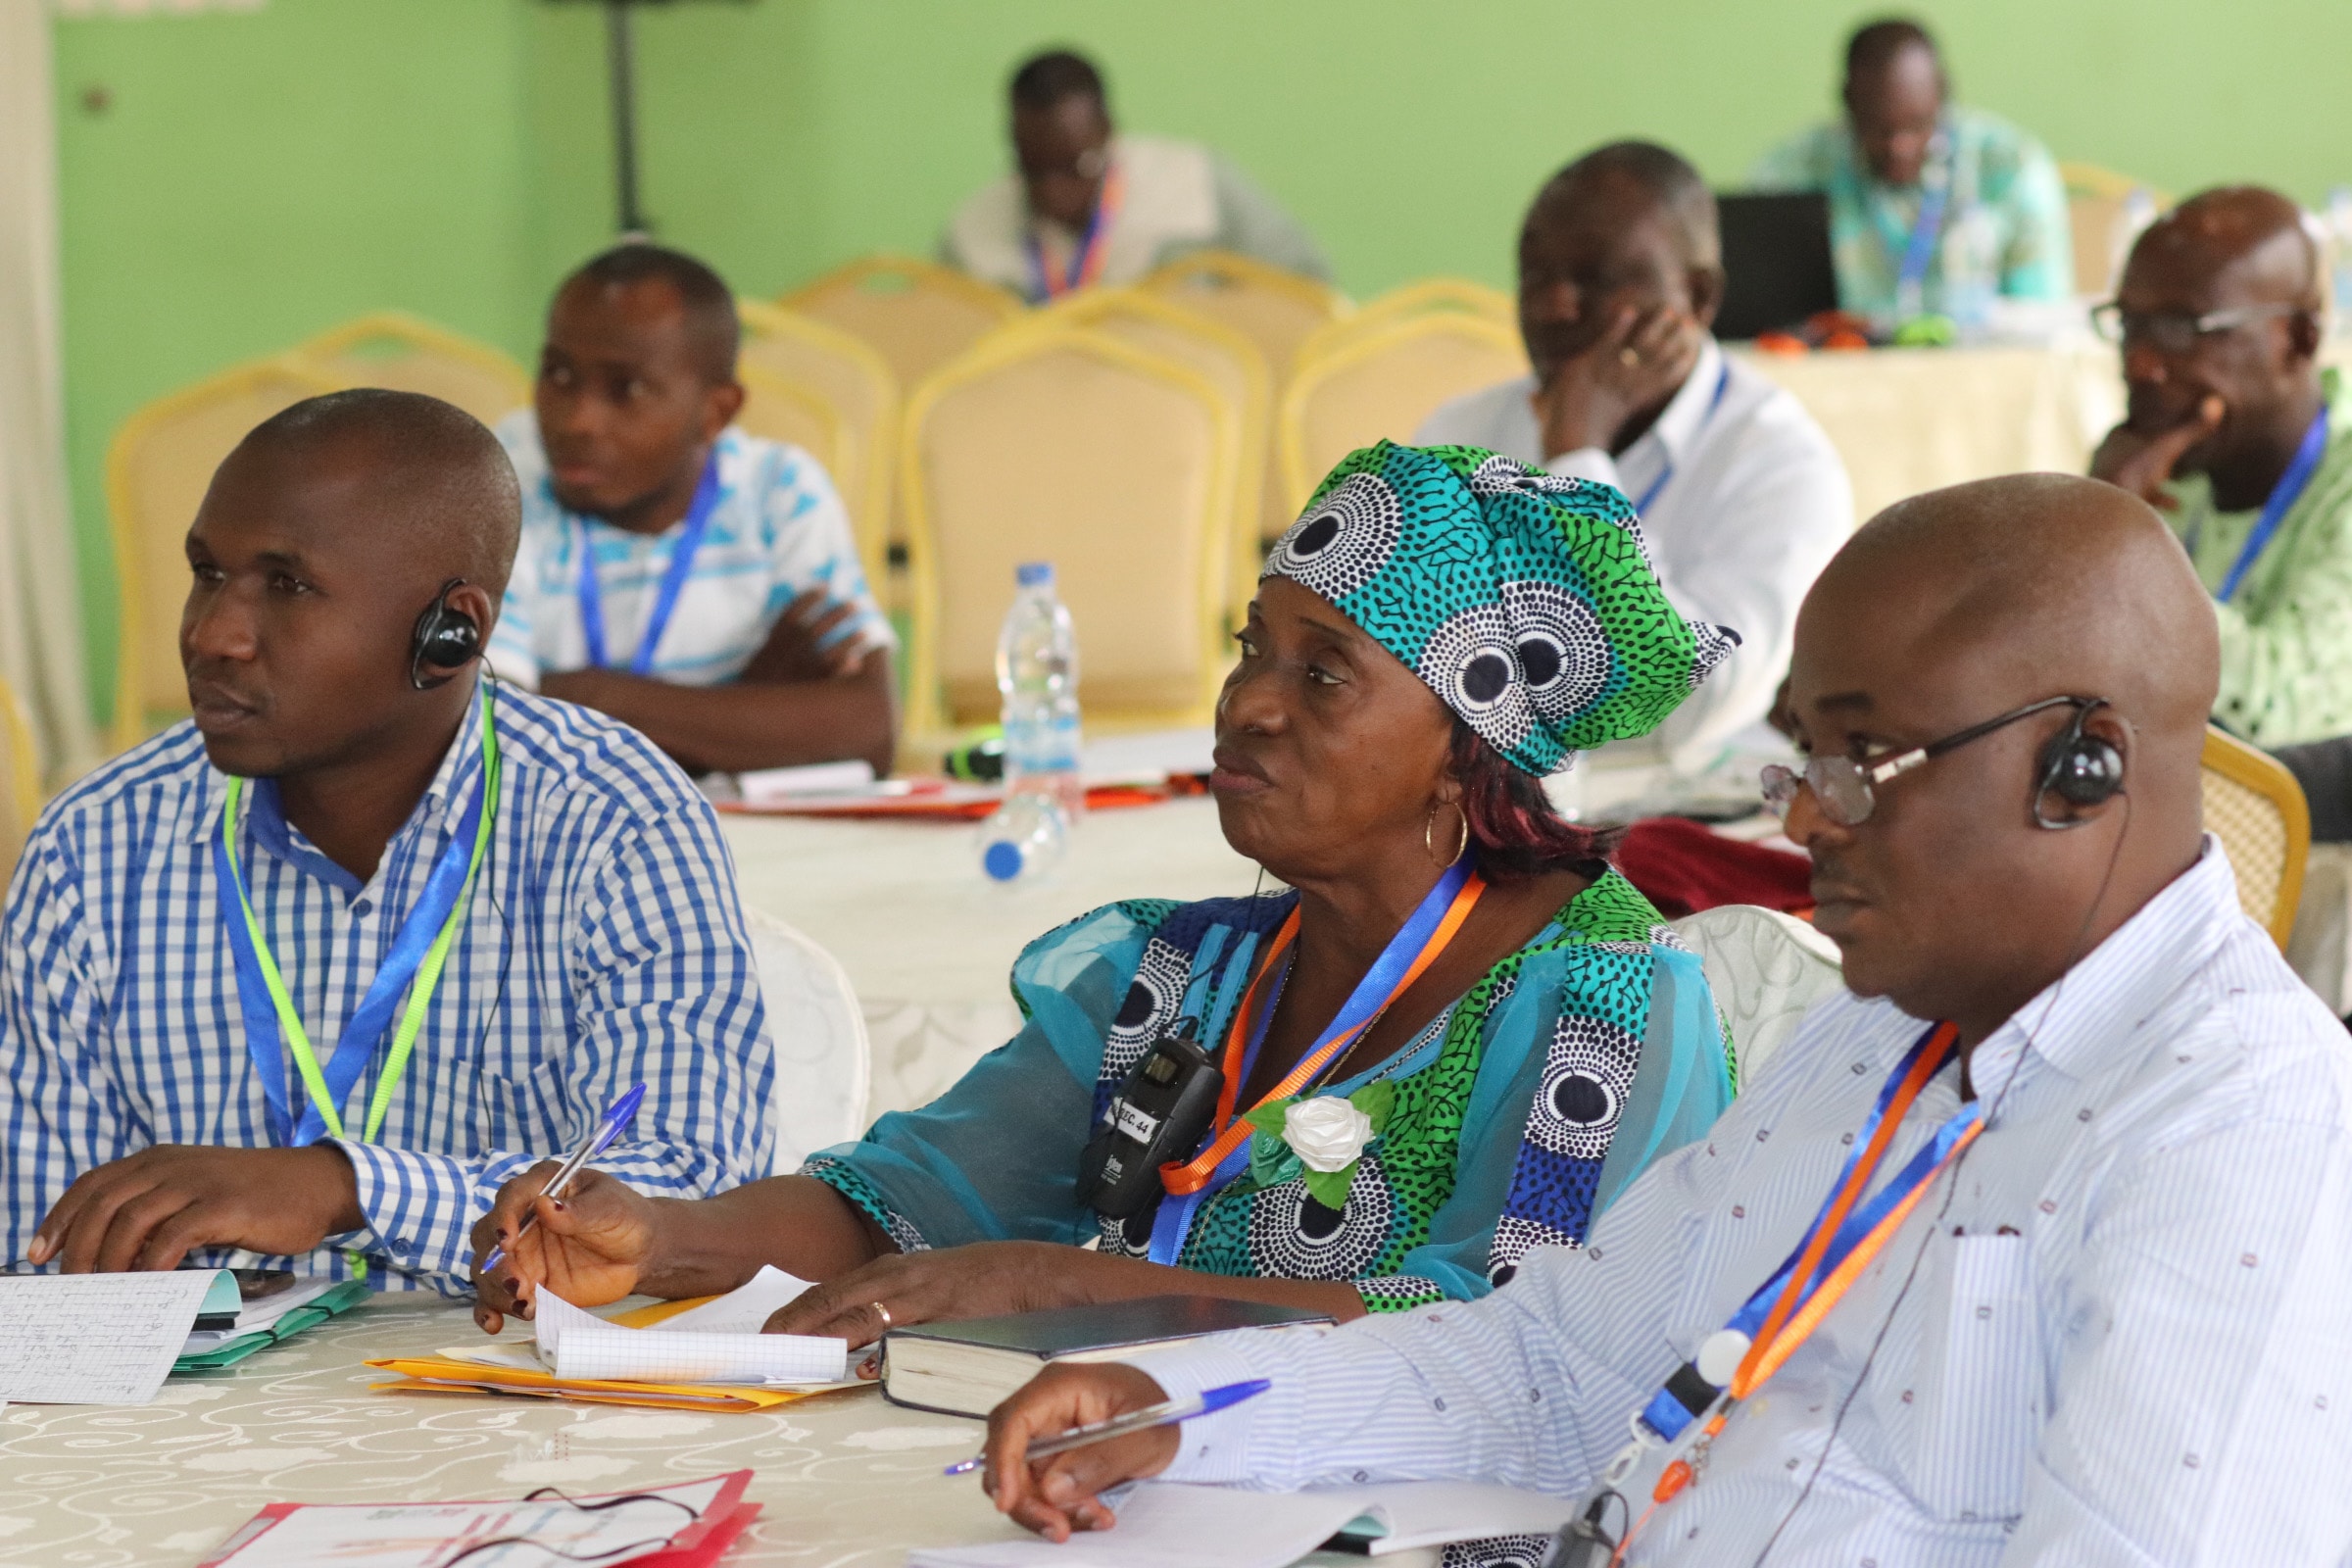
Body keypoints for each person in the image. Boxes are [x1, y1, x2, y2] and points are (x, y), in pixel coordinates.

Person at [976, 474, 2352, 1565]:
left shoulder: (2242, 1137)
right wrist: (1186, 1412)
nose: (1806, 818)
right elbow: (1552, 1361)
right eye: (1798, 754)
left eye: (1858, 760)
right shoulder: (1879, 1045)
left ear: (2081, 767)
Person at [469, 442, 1739, 1344]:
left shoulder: (1609, 1010)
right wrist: (661, 1237)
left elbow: (1514, 1342)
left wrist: (1065, 1290)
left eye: (1325, 671)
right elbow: (901, 1203)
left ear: (1467, 744)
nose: (1246, 699)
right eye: (1252, 648)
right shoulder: (1192, 980)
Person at [0, 390, 774, 1291]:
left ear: (451, 633)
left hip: (524, 1409)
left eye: (287, 585)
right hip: (195, 1419)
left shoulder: (611, 819)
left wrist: (347, 1189)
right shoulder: (93, 846)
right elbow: (33, 1253)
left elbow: (687, 1192)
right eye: (208, 573)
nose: (213, 635)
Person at [1416, 142, 1852, 769]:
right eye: (1535, 276)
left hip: (1666, 819)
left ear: (1697, 297)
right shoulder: (1462, 429)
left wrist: (1576, 460)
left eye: (1596, 280)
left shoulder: (1778, 463)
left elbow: (1694, 700)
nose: (1553, 306)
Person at [487, 244, 896, 777]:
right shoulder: (504, 479)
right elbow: (497, 743)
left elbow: (868, 729)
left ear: (715, 412)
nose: (577, 421)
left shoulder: (779, 491)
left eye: (626, 389)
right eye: (560, 376)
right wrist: (749, 698)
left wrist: (584, 695)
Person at [2089, 186, 2352, 750]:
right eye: (2131, 324)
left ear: (2299, 340)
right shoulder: (2157, 459)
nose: (2141, 363)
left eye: (2184, 328)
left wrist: (2119, 544)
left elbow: (2284, 710)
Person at [1749, 19, 2072, 326]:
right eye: (1879, 129)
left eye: (1918, 125)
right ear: (1847, 101)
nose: (1899, 147)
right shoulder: (1792, 174)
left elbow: (2041, 324)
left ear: (1943, 95)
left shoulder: (2011, 168)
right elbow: (1764, 322)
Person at [942, 49, 1328, 303]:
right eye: (1034, 171)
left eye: (1076, 168)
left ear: (1109, 132)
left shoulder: (1195, 182)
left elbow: (1308, 289)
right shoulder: (972, 230)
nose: (1055, 192)